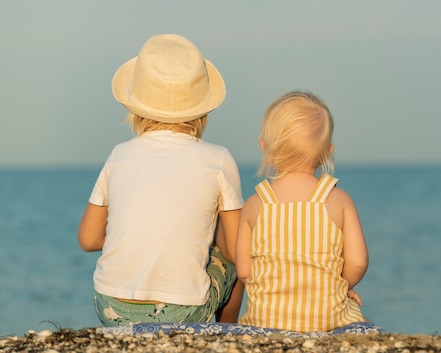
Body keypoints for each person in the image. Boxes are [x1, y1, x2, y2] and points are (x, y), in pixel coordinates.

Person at [78, 34, 244, 326]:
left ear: (136, 106)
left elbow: (89, 239)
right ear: (202, 108)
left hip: (110, 305)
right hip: (184, 311)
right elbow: (235, 249)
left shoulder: (119, 155)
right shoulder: (218, 159)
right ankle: (225, 332)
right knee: (232, 263)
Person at [236, 91, 369, 332]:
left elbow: (245, 271)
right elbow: (358, 263)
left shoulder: (255, 204)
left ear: (264, 147)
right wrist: (340, 285)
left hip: (264, 321)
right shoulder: (338, 200)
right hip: (327, 318)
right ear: (328, 151)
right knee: (363, 325)